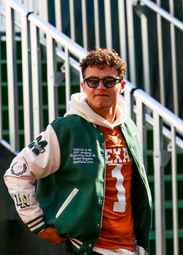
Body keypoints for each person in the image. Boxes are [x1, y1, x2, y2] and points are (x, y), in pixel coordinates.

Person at [4, 48, 152, 255]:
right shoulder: (65, 129)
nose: (100, 87)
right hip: (88, 248)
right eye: (93, 81)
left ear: (122, 86)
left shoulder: (128, 127)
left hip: (128, 246)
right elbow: (16, 173)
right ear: (83, 85)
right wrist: (37, 224)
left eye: (109, 81)